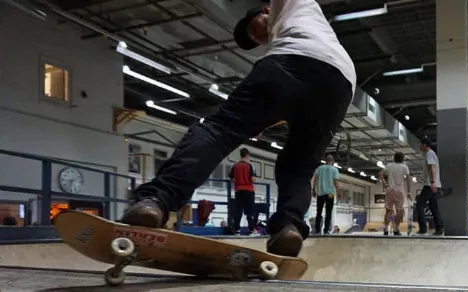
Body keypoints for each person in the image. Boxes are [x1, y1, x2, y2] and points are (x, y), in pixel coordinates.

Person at [119, 0, 356, 257]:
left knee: (218, 129)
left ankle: (156, 200)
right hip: (339, 84)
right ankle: (289, 227)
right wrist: (267, 118)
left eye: (256, 29)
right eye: (257, 39)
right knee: (297, 167)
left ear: (266, 9)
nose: (261, 36)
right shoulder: (306, 26)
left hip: (295, 59)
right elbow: (297, 98)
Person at [416, 136, 444, 235]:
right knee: (433, 207)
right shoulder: (432, 154)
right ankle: (439, 229)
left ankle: (423, 229)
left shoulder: (429, 154)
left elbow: (432, 168)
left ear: (424, 145)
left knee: (419, 204)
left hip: (430, 184)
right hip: (435, 184)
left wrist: (433, 182)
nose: (419, 146)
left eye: (420, 144)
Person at [379, 152, 411, 236]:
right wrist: (409, 192)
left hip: (390, 191)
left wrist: (384, 182)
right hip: (400, 191)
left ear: (394, 158)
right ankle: (396, 229)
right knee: (399, 210)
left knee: (388, 210)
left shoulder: (389, 165)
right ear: (402, 159)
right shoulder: (405, 167)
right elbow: (408, 179)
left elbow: (380, 173)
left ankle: (386, 228)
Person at [229, 148, 258, 235]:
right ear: (247, 155)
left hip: (238, 191)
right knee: (250, 211)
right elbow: (253, 179)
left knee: (238, 211)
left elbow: (231, 178)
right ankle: (251, 230)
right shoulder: (250, 165)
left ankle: (237, 230)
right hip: (249, 190)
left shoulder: (235, 165)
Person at [312, 155, 341, 235]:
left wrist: (313, 189)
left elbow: (315, 180)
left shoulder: (319, 169)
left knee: (319, 212)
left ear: (325, 160)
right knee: (328, 212)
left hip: (320, 193)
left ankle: (317, 230)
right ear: (333, 162)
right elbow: (336, 182)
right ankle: (326, 231)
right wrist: (339, 192)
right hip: (330, 194)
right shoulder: (334, 170)